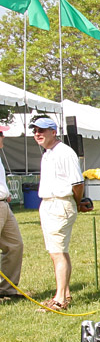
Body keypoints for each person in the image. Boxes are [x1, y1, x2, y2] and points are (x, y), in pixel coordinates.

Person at [34, 117, 90, 311]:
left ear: (53, 132)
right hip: (49, 204)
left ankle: (60, 300)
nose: (37, 134)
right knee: (56, 252)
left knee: (58, 253)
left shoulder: (65, 152)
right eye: (35, 131)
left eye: (42, 130)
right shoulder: (48, 153)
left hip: (60, 204)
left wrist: (77, 202)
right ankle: (64, 293)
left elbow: (77, 183)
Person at [0, 123, 26, 302]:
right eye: (1, 133)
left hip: (4, 205)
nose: (3, 137)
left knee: (15, 245)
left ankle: (6, 289)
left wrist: (6, 193)